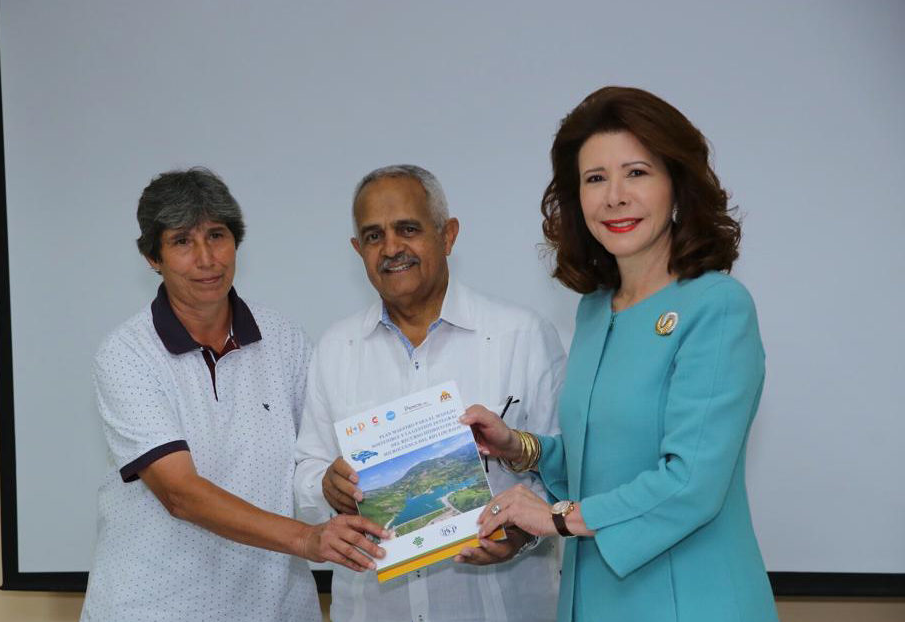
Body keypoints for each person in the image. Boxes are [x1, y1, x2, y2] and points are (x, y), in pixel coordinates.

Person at [462, 87, 780, 622]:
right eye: (595, 179)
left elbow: (691, 481)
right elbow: (601, 464)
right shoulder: (594, 311)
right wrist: (518, 446)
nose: (614, 196)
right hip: (595, 596)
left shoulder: (718, 306)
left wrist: (558, 518)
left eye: (636, 173)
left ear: (677, 185)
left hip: (691, 599)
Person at [80, 168, 388, 622]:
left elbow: (323, 454)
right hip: (156, 608)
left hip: (275, 606)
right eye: (182, 241)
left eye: (217, 235)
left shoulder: (282, 337)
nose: (206, 258)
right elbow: (180, 494)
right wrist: (307, 539)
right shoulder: (127, 353)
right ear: (153, 257)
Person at [293, 164, 565, 622]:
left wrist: (522, 534)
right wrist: (325, 486)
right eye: (374, 236)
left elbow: (566, 466)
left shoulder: (522, 335)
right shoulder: (335, 350)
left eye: (408, 229)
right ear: (358, 250)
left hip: (504, 606)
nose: (392, 248)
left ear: (448, 235)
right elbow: (306, 471)